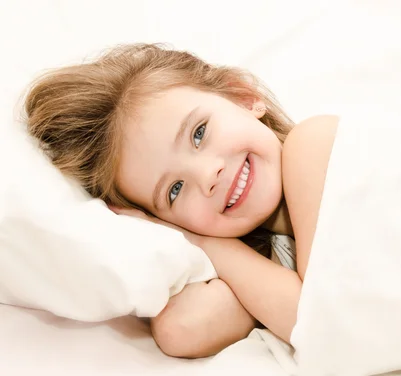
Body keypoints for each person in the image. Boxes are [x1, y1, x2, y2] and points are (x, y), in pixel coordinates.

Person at [24, 43, 338, 358]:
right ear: (166, 223)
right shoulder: (266, 267)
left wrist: (204, 242)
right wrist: (197, 243)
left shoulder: (314, 144)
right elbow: (183, 329)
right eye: (175, 189)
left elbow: (327, 324)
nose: (207, 175)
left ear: (243, 96)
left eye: (198, 133)